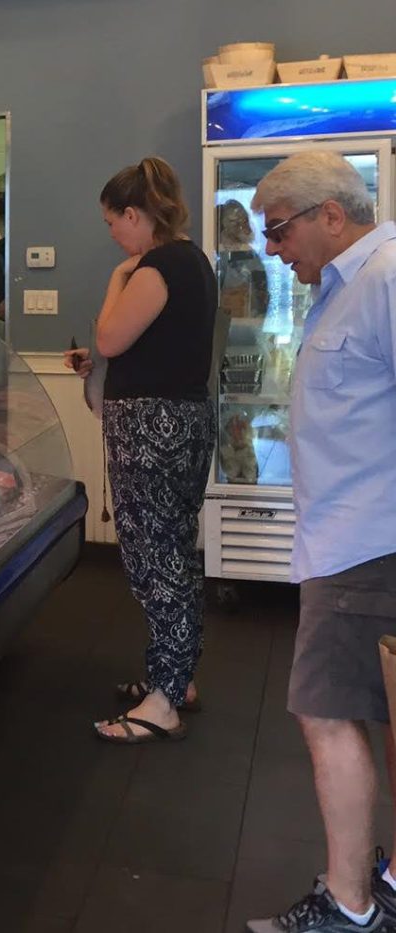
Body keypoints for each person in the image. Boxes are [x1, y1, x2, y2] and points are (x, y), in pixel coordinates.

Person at [246, 151, 396, 933]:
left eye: (279, 230)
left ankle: (349, 905)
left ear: (332, 215)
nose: (273, 249)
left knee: (325, 711)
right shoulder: (346, 285)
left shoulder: (384, 278)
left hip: (364, 545)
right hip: (347, 539)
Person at [63, 156, 217, 745]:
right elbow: (152, 345)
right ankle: (175, 679)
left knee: (155, 558)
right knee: (174, 551)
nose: (111, 234)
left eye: (111, 221)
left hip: (153, 430)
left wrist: (117, 278)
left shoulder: (155, 267)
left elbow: (109, 337)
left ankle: (164, 702)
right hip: (184, 423)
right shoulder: (193, 260)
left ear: (134, 214)